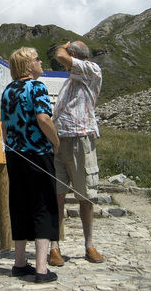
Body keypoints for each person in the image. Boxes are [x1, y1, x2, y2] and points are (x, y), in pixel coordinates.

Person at [0, 47, 60, 283]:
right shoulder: (37, 87)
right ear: (28, 65)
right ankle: (42, 269)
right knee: (43, 205)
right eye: (37, 58)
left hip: (15, 154)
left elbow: (4, 125)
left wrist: (11, 146)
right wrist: (56, 142)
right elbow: (43, 118)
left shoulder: (7, 91)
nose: (40, 61)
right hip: (38, 153)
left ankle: (20, 263)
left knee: (20, 204)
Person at [49, 41, 104, 266]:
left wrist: (64, 46)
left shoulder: (92, 70)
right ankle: (54, 247)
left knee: (85, 196)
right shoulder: (70, 81)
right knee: (57, 195)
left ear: (74, 56)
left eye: (70, 53)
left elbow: (60, 55)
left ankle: (89, 245)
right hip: (58, 141)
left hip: (81, 139)